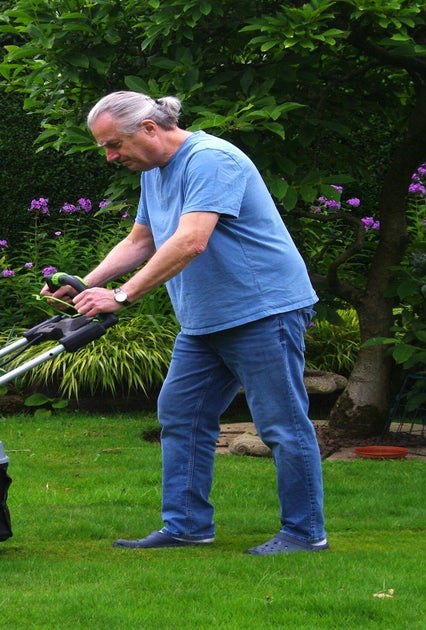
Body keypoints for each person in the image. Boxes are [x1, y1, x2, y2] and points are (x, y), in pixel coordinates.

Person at [45, 91, 326, 555]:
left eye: (115, 145)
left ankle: (304, 532)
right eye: (106, 149)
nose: (112, 157)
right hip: (205, 320)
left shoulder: (211, 160)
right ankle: (187, 526)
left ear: (150, 129)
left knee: (281, 424)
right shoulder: (153, 172)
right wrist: (84, 283)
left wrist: (121, 295)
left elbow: (192, 240)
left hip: (263, 310)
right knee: (182, 416)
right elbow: (142, 240)